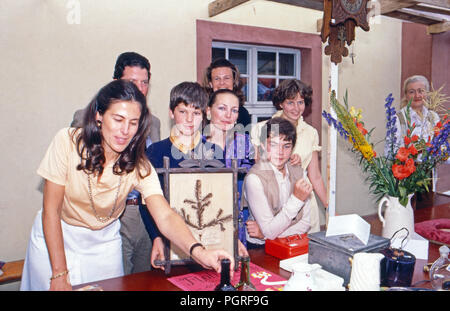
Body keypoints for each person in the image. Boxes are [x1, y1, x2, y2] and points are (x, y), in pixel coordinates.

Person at [20, 80, 233, 291]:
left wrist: (199, 252)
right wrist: (59, 273)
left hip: (104, 242)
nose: (125, 130)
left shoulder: (139, 163)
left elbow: (165, 216)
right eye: (118, 119)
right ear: (99, 115)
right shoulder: (67, 142)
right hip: (57, 237)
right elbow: (51, 210)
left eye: (133, 122)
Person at [72, 52, 161, 275]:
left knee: (145, 282)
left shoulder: (154, 123)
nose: (140, 89)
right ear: (115, 83)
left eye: (145, 83)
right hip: (109, 218)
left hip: (146, 215)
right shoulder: (85, 117)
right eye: (132, 82)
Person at [250, 79, 327, 233]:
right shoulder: (262, 129)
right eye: (290, 102)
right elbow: (260, 168)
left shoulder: (311, 133)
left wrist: (329, 207)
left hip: (305, 205)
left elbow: (315, 176)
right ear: (281, 104)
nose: (296, 108)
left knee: (305, 254)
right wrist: (287, 163)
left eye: (301, 102)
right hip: (275, 202)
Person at [145, 81, 208, 268]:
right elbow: (146, 202)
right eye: (183, 112)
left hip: (207, 238)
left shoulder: (214, 151)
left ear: (203, 116)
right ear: (171, 113)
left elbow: (221, 200)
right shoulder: (155, 152)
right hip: (167, 238)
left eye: (196, 113)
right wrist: (155, 236)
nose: (190, 119)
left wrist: (230, 237)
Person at [244, 117, 313, 248]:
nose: (280, 152)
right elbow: (269, 231)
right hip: (260, 250)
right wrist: (297, 199)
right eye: (274, 145)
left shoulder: (299, 172)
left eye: (286, 146)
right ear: (263, 145)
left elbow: (305, 223)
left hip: (290, 244)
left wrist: (265, 235)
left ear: (292, 147)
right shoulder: (254, 179)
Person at [203, 89, 254, 256]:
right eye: (222, 108)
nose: (228, 115)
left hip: (238, 218)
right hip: (205, 218)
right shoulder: (196, 144)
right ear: (209, 111)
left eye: (234, 110)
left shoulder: (244, 143)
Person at [384, 75, 439, 157]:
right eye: (412, 92)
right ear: (406, 96)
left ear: (426, 94)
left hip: (429, 169)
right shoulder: (398, 118)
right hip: (406, 169)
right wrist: (416, 149)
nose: (417, 95)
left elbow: (441, 149)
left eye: (421, 91)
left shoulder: (433, 117)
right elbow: (389, 153)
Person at [203, 58, 251, 127]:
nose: (222, 83)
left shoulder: (243, 113)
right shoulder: (200, 112)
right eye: (217, 78)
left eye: (226, 78)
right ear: (210, 84)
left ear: (234, 82)